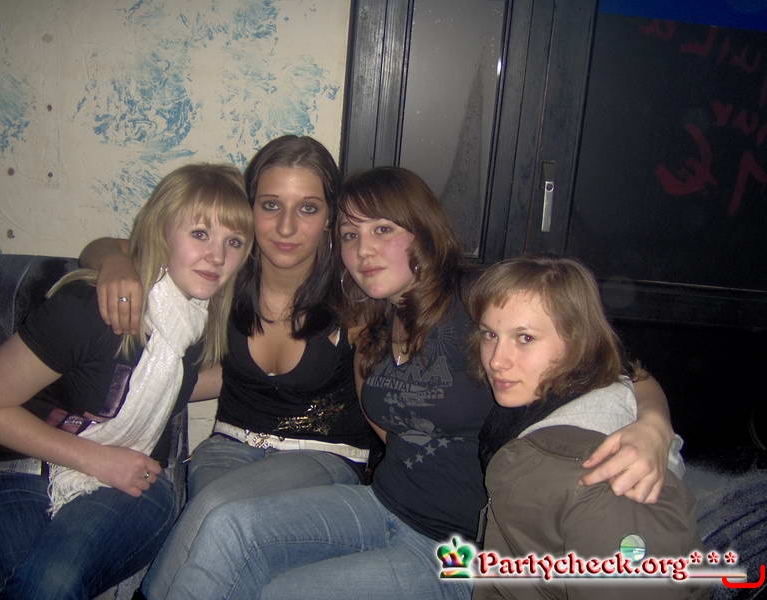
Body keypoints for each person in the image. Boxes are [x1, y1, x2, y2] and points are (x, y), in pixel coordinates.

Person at [154, 166, 677, 600]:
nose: (364, 250)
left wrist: (653, 426)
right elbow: (387, 425)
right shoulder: (373, 317)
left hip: (454, 549)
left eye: (383, 230)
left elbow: (618, 364)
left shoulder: (476, 297)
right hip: (383, 504)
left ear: (422, 233)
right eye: (351, 235)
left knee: (284, 592)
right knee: (231, 528)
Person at [78, 135, 374, 599]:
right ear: (249, 207)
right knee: (226, 556)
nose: (287, 226)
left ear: (330, 217)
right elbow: (102, 247)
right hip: (228, 448)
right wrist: (116, 263)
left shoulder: (354, 291)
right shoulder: (225, 270)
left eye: (308, 208)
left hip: (322, 457)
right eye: (271, 205)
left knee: (218, 510)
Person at [0, 163, 253, 599]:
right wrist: (96, 459)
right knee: (27, 581)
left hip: (134, 485)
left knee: (53, 580)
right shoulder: (91, 307)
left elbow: (181, 385)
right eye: (200, 233)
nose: (217, 256)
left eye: (234, 242)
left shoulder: (200, 323)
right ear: (161, 233)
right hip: (20, 472)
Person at [468, 256, 704, 599]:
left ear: (578, 342)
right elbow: (633, 372)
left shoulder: (611, 478)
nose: (496, 360)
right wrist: (655, 419)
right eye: (490, 334)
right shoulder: (543, 401)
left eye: (525, 338)